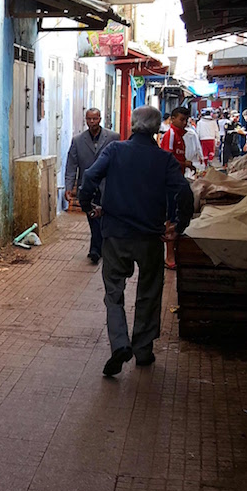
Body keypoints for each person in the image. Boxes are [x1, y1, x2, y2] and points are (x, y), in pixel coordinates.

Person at [78, 105, 193, 378]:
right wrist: (179, 224)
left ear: (132, 125)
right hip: (150, 237)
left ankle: (119, 343)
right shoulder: (164, 159)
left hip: (115, 234)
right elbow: (185, 192)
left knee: (114, 293)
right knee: (149, 292)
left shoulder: (115, 150)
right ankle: (142, 350)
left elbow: (90, 177)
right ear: (156, 129)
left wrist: (88, 206)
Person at [64, 108, 119, 264]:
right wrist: (69, 186)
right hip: (87, 186)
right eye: (89, 119)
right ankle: (96, 248)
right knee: (92, 216)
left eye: (95, 119)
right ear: (85, 120)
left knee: (103, 217)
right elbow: (71, 165)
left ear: (100, 119)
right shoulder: (78, 140)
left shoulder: (113, 137)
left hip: (107, 185)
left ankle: (97, 248)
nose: (92, 122)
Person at [159, 107, 194, 268]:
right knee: (171, 217)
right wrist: (184, 163)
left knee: (174, 216)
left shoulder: (180, 136)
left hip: (176, 180)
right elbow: (167, 158)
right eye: (181, 119)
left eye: (186, 120)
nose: (184, 123)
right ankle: (169, 256)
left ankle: (171, 254)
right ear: (172, 119)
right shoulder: (171, 135)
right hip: (170, 182)